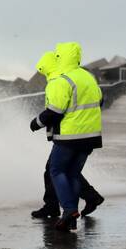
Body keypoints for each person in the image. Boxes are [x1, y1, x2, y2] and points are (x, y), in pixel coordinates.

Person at [29, 42, 103, 231]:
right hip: (91, 134)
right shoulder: (88, 76)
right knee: (71, 172)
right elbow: (101, 100)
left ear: (61, 57)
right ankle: (71, 211)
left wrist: (36, 122)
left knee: (56, 170)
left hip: (70, 135)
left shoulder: (63, 80)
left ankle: (69, 209)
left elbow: (55, 109)